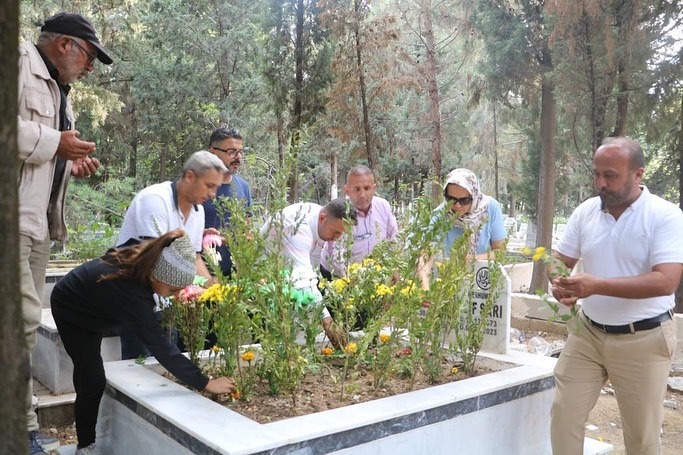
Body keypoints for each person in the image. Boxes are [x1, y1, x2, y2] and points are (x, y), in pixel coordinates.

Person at [549, 137, 683, 454]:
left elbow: (666, 281)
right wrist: (559, 282)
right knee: (563, 416)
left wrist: (595, 285)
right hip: (588, 334)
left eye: (610, 175)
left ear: (638, 174)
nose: (600, 183)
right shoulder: (585, 212)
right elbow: (558, 260)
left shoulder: (666, 216)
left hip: (644, 339)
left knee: (641, 439)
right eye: (596, 174)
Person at [18, 12, 113, 454]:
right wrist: (57, 143)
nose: (90, 67)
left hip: (36, 228)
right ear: (65, 45)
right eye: (90, 56)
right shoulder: (18, 61)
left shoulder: (60, 90)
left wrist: (68, 161)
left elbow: (36, 157)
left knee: (24, 327)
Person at [51, 229, 236, 455]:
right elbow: (160, 346)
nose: (175, 295)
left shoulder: (150, 258)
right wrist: (205, 382)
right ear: (155, 278)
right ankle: (86, 445)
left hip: (95, 304)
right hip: (71, 310)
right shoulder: (134, 292)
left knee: (87, 370)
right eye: (172, 290)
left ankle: (84, 415)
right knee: (93, 378)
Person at [116, 150, 227, 358]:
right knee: (140, 369)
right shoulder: (155, 200)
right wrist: (193, 286)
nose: (212, 194)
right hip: (136, 296)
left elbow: (193, 256)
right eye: (209, 186)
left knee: (167, 365)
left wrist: (211, 286)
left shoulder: (198, 211)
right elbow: (154, 259)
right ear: (190, 176)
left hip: (168, 301)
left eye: (216, 188)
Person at [260, 198, 357, 347]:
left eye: (341, 234)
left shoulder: (320, 221)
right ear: (323, 218)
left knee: (307, 307)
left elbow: (312, 269)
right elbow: (302, 279)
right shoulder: (298, 228)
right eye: (336, 232)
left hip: (285, 273)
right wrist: (327, 320)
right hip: (263, 278)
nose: (336, 238)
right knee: (293, 318)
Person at [418, 168, 506, 291]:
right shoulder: (440, 215)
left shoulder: (490, 208)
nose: (458, 205)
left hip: (481, 283)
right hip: (445, 283)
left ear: (474, 195)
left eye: (464, 200)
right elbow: (426, 254)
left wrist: (473, 259)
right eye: (452, 200)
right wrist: (424, 289)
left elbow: (501, 251)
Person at [320, 165, 398, 278]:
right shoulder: (340, 212)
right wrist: (352, 279)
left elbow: (394, 238)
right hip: (336, 274)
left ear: (374, 188)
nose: (362, 195)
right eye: (357, 189)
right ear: (347, 191)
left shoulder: (383, 206)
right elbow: (337, 257)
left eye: (367, 188)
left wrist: (393, 268)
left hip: (373, 274)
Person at [204, 127, 252, 277]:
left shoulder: (243, 187)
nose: (238, 157)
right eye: (231, 152)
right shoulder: (197, 186)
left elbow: (247, 231)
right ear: (212, 152)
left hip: (235, 273)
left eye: (240, 152)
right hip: (201, 272)